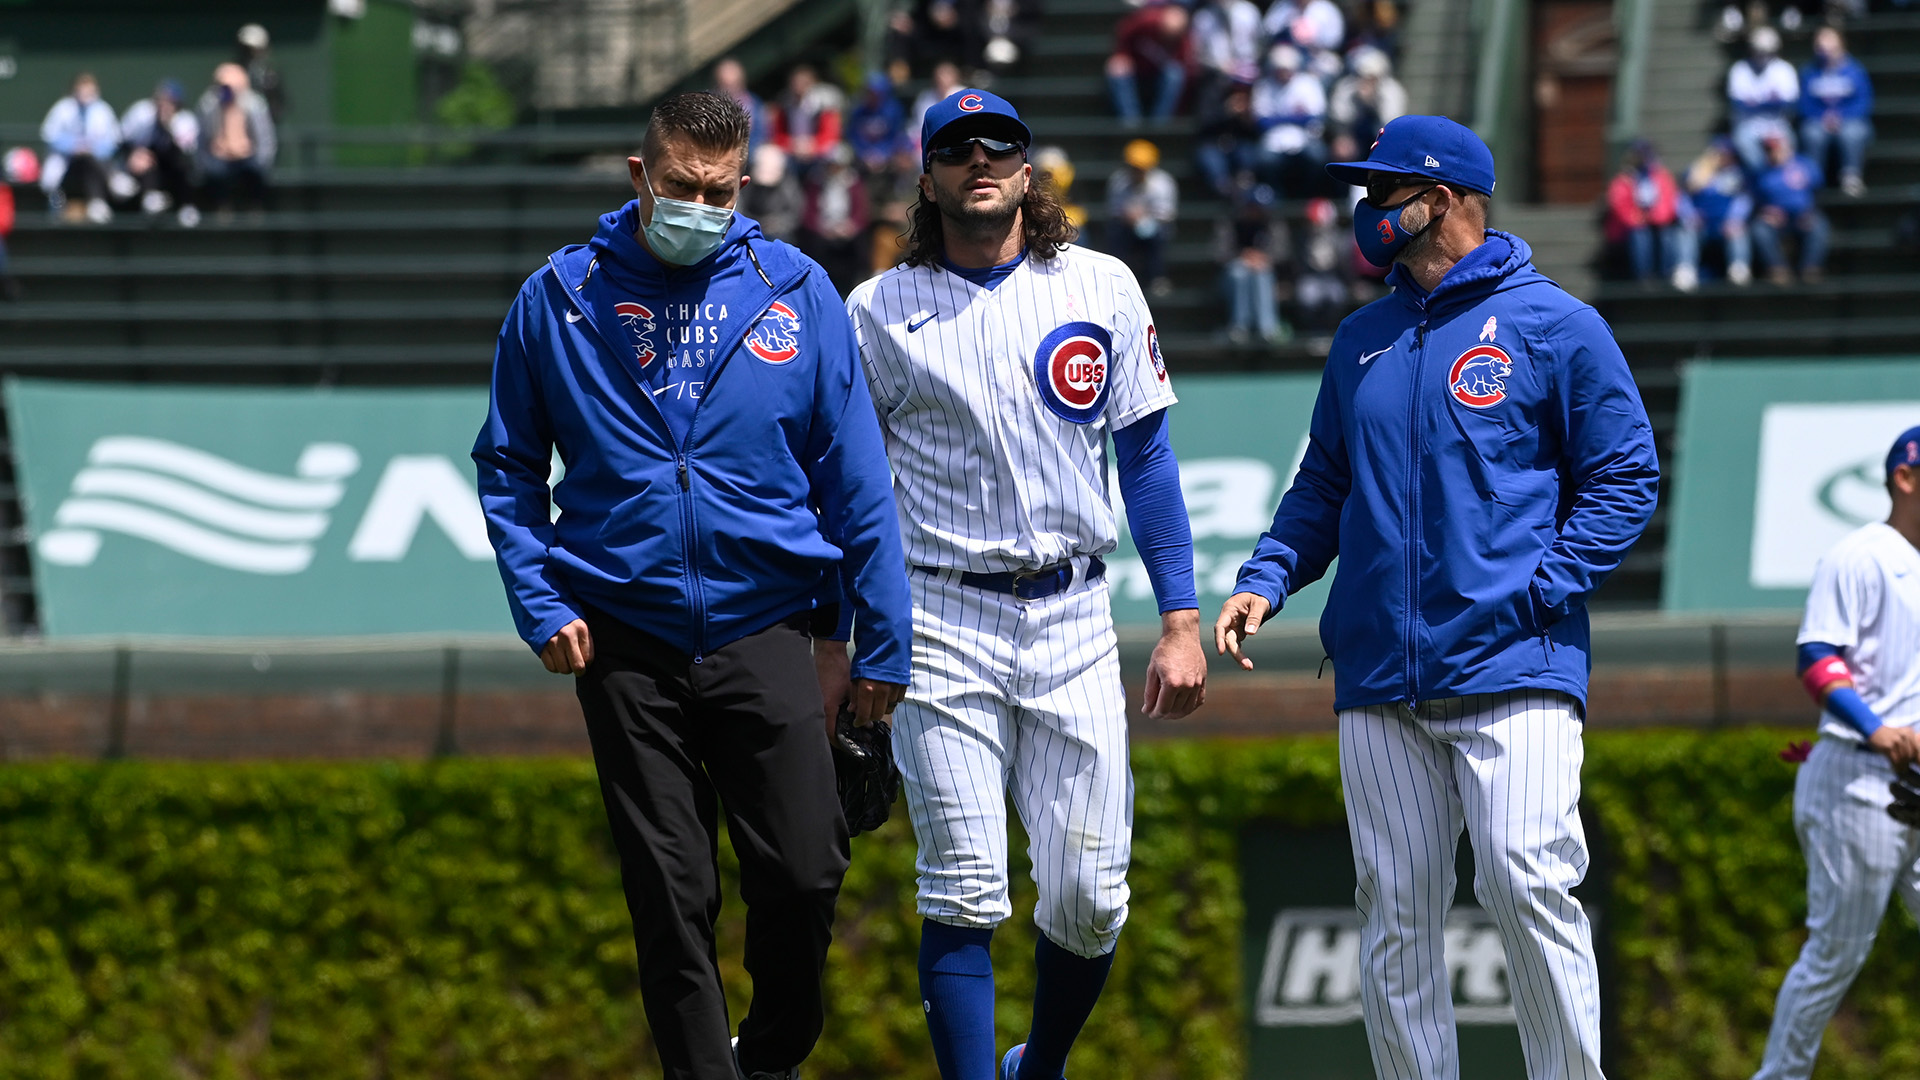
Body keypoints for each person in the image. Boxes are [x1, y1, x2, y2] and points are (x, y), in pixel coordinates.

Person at [471, 91, 912, 1080]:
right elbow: (506, 465)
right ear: (641, 177)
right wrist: (540, 600)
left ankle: (773, 1054)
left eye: (719, 191)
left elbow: (857, 479)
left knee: (805, 873)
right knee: (671, 896)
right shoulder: (558, 297)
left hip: (766, 628)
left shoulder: (792, 288)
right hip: (624, 638)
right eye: (681, 187)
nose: (700, 206)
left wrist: (880, 643)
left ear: (743, 182)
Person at [1215, 115, 1658, 1080]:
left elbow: (1626, 476)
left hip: (1515, 663)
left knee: (1527, 882)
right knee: (1394, 912)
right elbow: (1321, 485)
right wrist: (1266, 578)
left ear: (1446, 198)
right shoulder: (1361, 337)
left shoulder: (1556, 323)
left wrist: (1543, 586)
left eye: (1383, 192)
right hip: (1380, 671)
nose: (1366, 211)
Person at [844, 87, 1207, 1080]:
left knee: (1091, 895)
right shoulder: (876, 310)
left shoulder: (1100, 284)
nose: (981, 159)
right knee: (961, 887)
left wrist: (1181, 620)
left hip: (1076, 612)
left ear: (1028, 167)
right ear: (928, 177)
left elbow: (1148, 461)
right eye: (958, 148)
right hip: (941, 611)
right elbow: (852, 496)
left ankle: (1035, 1068)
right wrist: (855, 642)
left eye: (1000, 144)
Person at [1749, 426, 1920, 1080]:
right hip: (1859, 777)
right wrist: (1877, 728)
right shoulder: (1861, 556)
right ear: (1905, 478)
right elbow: (1818, 659)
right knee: (1837, 952)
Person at [1604, 139, 1700, 291]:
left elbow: (1668, 202)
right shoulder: (1623, 179)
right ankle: (1644, 277)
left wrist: (1654, 217)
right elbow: (1620, 205)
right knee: (1640, 234)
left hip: (1658, 222)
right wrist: (1637, 218)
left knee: (1667, 234)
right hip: (1631, 226)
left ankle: (1666, 273)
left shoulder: (1661, 176)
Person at [1799, 26, 1873, 197]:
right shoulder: (1809, 72)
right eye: (1821, 46)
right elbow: (1804, 103)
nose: (1826, 50)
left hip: (1849, 120)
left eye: (1831, 45)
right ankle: (1814, 181)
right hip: (1819, 120)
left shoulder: (1855, 70)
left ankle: (1851, 177)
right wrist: (1823, 117)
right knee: (1812, 134)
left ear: (1841, 45)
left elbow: (1863, 102)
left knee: (1852, 133)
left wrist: (1841, 117)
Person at [39, 72, 120, 223]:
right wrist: (73, 146)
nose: (85, 95)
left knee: (91, 161)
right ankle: (54, 212)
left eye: (89, 91)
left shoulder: (103, 110)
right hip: (65, 162)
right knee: (52, 181)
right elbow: (49, 134)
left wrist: (92, 148)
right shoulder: (63, 108)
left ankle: (100, 201)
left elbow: (113, 141)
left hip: (94, 164)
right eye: (82, 90)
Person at [196, 62, 276, 214]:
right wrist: (205, 163)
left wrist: (261, 161)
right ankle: (222, 209)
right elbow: (202, 141)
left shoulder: (255, 104)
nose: (227, 90)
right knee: (215, 172)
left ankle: (255, 209)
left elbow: (265, 139)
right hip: (219, 158)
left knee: (256, 171)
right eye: (223, 86)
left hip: (248, 157)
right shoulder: (208, 105)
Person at [1251, 44, 1328, 198]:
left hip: (1305, 138)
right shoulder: (1264, 86)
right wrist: (1297, 118)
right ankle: (1276, 197)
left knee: (1317, 156)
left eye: (1287, 68)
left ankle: (1306, 196)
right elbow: (1262, 122)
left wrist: (1279, 118)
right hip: (1274, 140)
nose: (1284, 73)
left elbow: (1316, 118)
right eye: (1280, 69)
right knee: (1264, 160)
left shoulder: (1308, 83)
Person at [120, 79, 201, 224]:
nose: (163, 105)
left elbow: (183, 153)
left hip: (174, 171)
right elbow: (122, 140)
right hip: (145, 169)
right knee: (146, 159)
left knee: (184, 167)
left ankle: (187, 206)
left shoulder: (186, 121)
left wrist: (167, 125)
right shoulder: (141, 113)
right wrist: (134, 155)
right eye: (160, 100)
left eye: (169, 101)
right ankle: (150, 198)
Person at [1216, 180, 1287, 344]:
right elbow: (1220, 254)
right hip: (1230, 275)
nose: (1260, 211)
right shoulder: (1231, 221)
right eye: (1255, 207)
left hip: (1266, 272)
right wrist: (1243, 256)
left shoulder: (1273, 222)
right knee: (1239, 272)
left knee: (1262, 272)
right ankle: (1239, 327)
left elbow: (1282, 253)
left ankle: (1267, 328)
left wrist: (1262, 258)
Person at [1752, 132, 1829, 284]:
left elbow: (1817, 187)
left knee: (1819, 226)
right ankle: (1778, 269)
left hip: (1803, 216)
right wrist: (1766, 211)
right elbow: (1754, 199)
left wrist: (1808, 211)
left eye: (1776, 148)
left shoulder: (1804, 164)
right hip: (1776, 220)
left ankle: (1810, 270)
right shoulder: (1761, 172)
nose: (1773, 153)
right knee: (1759, 230)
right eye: (1768, 150)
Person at [1106, 137, 1178, 296]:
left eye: (1141, 168)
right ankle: (1115, 280)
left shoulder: (1163, 183)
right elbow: (1114, 210)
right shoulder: (1118, 181)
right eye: (1133, 167)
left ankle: (1157, 278)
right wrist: (1129, 216)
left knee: (1157, 234)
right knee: (1114, 232)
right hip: (1126, 225)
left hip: (1155, 225)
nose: (1137, 171)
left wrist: (1144, 215)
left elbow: (1167, 214)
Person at [800, 142, 871, 296]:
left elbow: (861, 212)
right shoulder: (816, 181)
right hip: (823, 230)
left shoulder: (854, 182)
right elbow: (809, 213)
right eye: (831, 165)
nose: (834, 169)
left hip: (847, 229)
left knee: (861, 245)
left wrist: (850, 227)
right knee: (814, 245)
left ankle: (856, 284)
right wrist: (823, 228)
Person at [1729, 26, 1800, 174]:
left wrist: (1755, 104)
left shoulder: (1784, 69)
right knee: (1744, 142)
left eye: (1767, 51)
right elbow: (1739, 105)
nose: (1762, 55)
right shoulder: (1740, 69)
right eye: (1759, 50)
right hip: (1748, 125)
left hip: (1778, 124)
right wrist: (1771, 103)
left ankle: (1780, 182)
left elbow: (1789, 104)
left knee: (1791, 143)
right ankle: (1762, 179)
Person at [1106, 3, 1191, 123]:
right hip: (1134, 69)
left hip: (1158, 76)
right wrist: (1121, 54)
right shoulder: (1146, 21)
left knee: (1176, 74)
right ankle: (1131, 124)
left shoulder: (1182, 42)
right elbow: (1124, 31)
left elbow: (1186, 69)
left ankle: (1159, 125)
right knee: (1118, 67)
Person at [1685, 138, 1753, 284]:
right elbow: (1682, 198)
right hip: (1702, 225)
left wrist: (1735, 218)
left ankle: (1738, 269)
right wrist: (1690, 216)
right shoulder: (1697, 171)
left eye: (1727, 154)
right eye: (1719, 153)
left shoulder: (1738, 174)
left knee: (1738, 230)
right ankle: (1685, 270)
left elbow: (1744, 199)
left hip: (1725, 225)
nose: (1723, 157)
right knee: (1685, 231)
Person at [1193, 80, 1261, 199]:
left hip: (1239, 144)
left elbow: (1255, 133)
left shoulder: (1253, 100)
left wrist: (1247, 118)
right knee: (1212, 163)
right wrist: (1226, 112)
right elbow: (1204, 125)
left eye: (1244, 87)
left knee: (1248, 154)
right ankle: (1226, 191)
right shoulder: (1212, 94)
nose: (1240, 90)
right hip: (1212, 143)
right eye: (1237, 86)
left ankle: (1244, 189)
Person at [1328, 47, 1407, 146]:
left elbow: (1391, 122)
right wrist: (1357, 100)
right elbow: (1340, 119)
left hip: (1382, 137)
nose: (1367, 81)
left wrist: (1373, 101)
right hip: (1353, 135)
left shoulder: (1392, 91)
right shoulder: (1347, 88)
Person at [771, 66, 844, 169]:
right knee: (771, 156)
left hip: (817, 149)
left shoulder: (824, 105)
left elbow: (831, 135)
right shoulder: (785, 105)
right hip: (792, 149)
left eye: (803, 84)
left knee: (837, 154)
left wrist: (812, 146)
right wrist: (793, 144)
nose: (798, 88)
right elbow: (777, 134)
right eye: (795, 84)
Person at [743, 142, 805, 243]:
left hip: (780, 234)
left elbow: (795, 214)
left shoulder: (788, 185)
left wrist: (776, 224)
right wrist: (755, 223)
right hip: (752, 230)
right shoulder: (748, 185)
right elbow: (740, 209)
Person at [713, 57, 768, 158]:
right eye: (726, 85)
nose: (730, 89)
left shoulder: (754, 102)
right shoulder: (710, 104)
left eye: (734, 84)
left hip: (751, 150)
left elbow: (763, 134)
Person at [235, 23, 286, 122]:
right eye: (246, 50)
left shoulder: (270, 76)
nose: (250, 54)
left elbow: (279, 105)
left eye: (253, 50)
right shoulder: (230, 75)